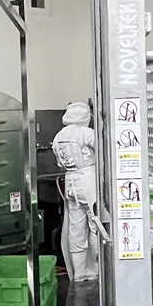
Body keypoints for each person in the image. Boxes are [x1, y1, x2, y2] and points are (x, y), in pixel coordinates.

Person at [53, 102, 99, 281]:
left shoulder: (59, 136)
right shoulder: (86, 133)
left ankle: (79, 272)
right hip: (88, 180)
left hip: (70, 181)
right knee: (95, 225)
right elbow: (105, 151)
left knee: (76, 228)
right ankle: (96, 269)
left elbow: (59, 163)